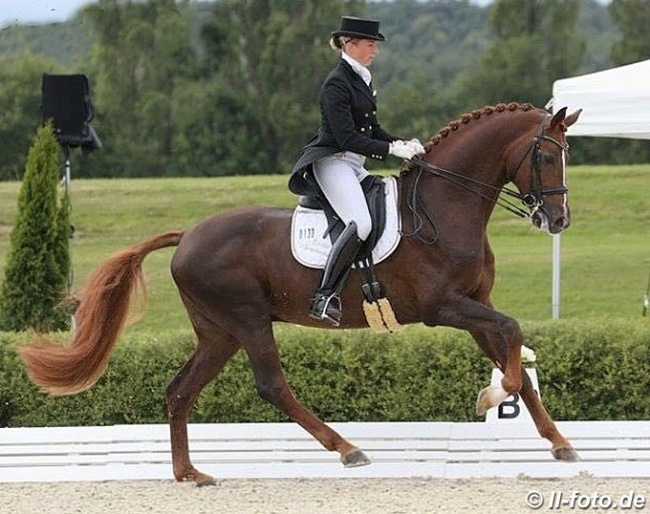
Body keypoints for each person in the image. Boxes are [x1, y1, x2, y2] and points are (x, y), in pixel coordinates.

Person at [289, 15, 425, 327]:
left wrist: (402, 142)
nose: (375, 50)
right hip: (333, 161)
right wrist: (391, 151)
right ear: (350, 45)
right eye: (370, 44)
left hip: (354, 164)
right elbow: (347, 137)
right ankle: (323, 297)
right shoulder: (336, 83)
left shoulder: (361, 79)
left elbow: (372, 129)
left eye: (375, 44)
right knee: (360, 222)